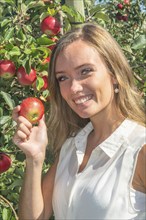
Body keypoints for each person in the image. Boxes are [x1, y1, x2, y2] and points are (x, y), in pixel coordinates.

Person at [12, 23, 146, 220]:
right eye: (63, 78)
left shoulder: (139, 149)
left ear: (114, 74)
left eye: (85, 71)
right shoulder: (72, 148)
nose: (73, 88)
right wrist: (35, 158)